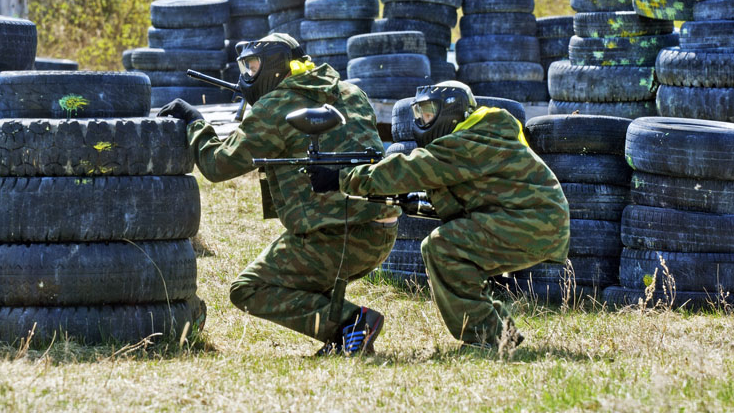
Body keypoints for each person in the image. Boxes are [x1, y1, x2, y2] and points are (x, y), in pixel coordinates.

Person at [158, 33, 398, 355]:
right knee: (289, 275)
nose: (247, 76)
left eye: (253, 67)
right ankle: (345, 336)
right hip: (382, 231)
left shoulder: (276, 106)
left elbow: (218, 165)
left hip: (335, 236)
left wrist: (195, 122)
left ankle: (352, 323)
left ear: (275, 67)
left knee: (249, 288)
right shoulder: (351, 92)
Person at [310, 81, 569, 350]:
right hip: (531, 221)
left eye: (428, 112)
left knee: (442, 248)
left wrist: (340, 178)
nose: (422, 120)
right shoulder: (477, 135)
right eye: (418, 113)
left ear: (451, 111)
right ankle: (503, 337)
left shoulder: (471, 140)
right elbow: (471, 193)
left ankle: (486, 339)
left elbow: (412, 168)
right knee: (455, 252)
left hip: (534, 224)